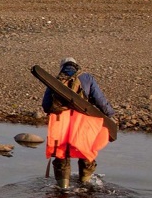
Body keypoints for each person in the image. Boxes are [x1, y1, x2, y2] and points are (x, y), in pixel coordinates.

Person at [41, 57, 116, 190]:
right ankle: (85, 184)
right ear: (76, 66)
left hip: (61, 123)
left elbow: (46, 105)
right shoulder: (86, 78)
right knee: (85, 151)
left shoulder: (55, 80)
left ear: (62, 67)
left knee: (61, 154)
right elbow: (100, 100)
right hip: (83, 122)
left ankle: (63, 187)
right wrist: (111, 116)